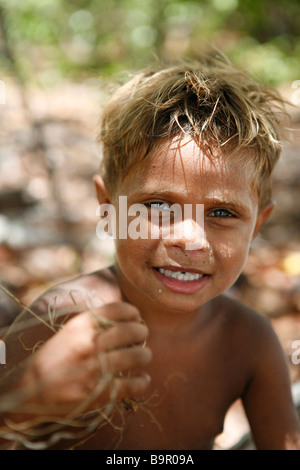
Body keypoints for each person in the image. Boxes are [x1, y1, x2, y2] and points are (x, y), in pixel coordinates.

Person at [1, 55, 300, 450]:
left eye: (223, 213)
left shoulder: (247, 341)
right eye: (158, 206)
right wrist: (26, 399)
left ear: (257, 226)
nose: (190, 239)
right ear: (108, 207)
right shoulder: (60, 320)